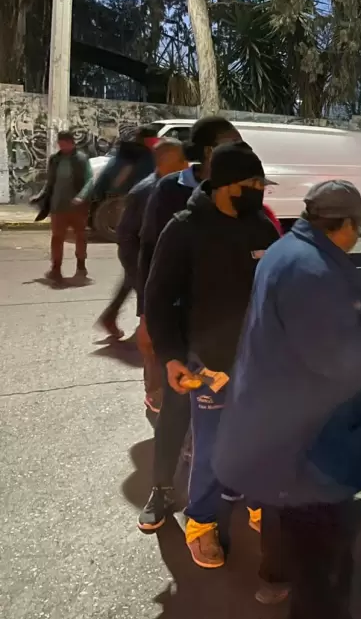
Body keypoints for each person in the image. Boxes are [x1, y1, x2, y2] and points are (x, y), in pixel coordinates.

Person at [214, 180, 361, 618]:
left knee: (287, 517)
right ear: (346, 225)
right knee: (322, 558)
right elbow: (339, 360)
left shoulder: (287, 249)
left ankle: (275, 578)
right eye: (356, 228)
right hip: (309, 435)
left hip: (280, 419)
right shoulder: (312, 271)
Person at [143, 142, 280, 569]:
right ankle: (201, 522)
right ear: (222, 186)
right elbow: (158, 298)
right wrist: (170, 356)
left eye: (261, 183)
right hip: (208, 360)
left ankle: (260, 503)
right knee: (212, 448)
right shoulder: (185, 228)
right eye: (250, 184)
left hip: (258, 358)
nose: (259, 191)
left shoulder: (261, 226)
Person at [137, 116, 240, 533]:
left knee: (221, 409)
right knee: (176, 407)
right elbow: (148, 254)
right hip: (178, 322)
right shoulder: (169, 191)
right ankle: (162, 489)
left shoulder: (234, 192)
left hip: (218, 326)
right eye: (231, 146)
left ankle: (224, 482)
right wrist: (147, 314)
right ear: (208, 152)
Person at [116, 138, 188, 414]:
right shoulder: (145, 192)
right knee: (152, 340)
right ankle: (155, 395)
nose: (185, 167)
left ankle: (171, 391)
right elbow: (128, 241)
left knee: (169, 338)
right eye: (181, 161)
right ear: (166, 162)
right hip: (151, 281)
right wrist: (144, 286)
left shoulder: (182, 188)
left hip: (174, 279)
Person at [87, 125, 161, 339]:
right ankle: (148, 328)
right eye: (153, 139)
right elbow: (124, 178)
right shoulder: (140, 155)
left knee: (133, 277)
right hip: (136, 219)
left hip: (133, 217)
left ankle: (112, 316)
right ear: (148, 140)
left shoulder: (129, 152)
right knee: (143, 280)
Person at [31, 130, 93, 283]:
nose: (62, 146)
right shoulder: (55, 159)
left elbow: (89, 180)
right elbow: (50, 182)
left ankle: (81, 267)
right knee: (57, 238)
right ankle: (56, 268)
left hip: (78, 208)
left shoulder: (81, 159)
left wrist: (81, 196)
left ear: (72, 143)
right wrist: (40, 195)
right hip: (58, 205)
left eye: (64, 143)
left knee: (80, 237)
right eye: (60, 144)